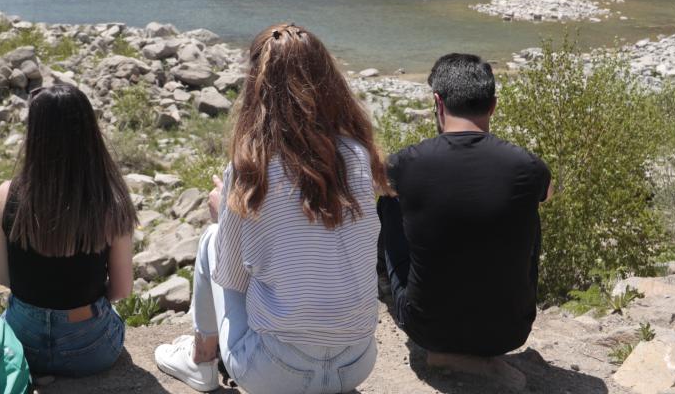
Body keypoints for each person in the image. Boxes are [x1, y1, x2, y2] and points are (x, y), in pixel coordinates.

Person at [154, 23, 386, 394]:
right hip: (357, 363)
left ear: (257, 88)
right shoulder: (358, 157)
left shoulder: (252, 170)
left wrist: (227, 215)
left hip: (279, 374)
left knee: (212, 241)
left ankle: (201, 360)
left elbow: (229, 277)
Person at [378, 53, 551, 375]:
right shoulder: (527, 165)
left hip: (429, 329)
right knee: (530, 201)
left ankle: (387, 292)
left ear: (437, 103)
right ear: (493, 105)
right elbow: (549, 193)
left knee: (390, 200)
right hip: (509, 330)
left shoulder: (405, 164)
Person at [0, 85, 136, 378]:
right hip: (91, 350)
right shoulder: (111, 199)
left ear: (34, 135)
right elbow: (121, 290)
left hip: (22, 345)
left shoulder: (6, 195)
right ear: (89, 133)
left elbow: (5, 278)